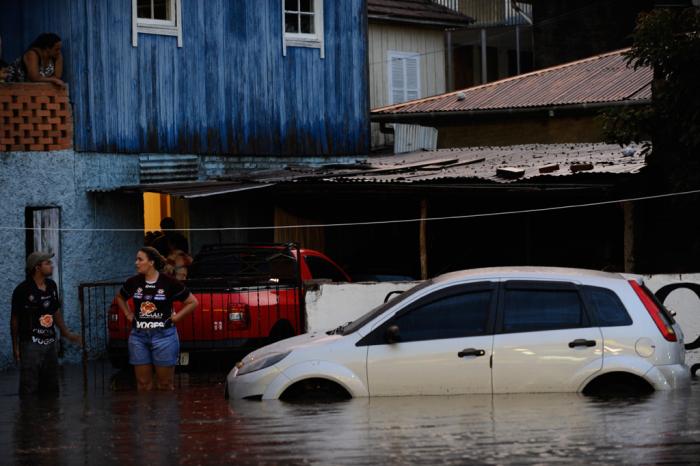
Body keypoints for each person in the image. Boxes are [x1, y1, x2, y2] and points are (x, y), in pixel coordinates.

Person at [114, 247, 198, 391]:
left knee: (165, 385)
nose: (136, 263)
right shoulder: (133, 282)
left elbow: (193, 302)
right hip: (139, 337)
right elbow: (120, 297)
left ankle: (164, 413)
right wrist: (128, 314)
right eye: (136, 259)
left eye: (140, 259)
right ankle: (145, 413)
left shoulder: (169, 282)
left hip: (164, 337)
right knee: (143, 384)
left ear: (151, 262)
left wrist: (176, 318)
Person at [10, 252, 81, 397]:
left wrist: (66, 333)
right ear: (37, 267)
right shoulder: (22, 290)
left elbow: (55, 311)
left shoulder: (51, 286)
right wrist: (15, 347)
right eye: (47, 263)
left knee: (52, 388)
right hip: (30, 344)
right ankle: (29, 418)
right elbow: (14, 319)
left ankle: (50, 417)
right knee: (28, 389)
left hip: (50, 344)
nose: (51, 266)